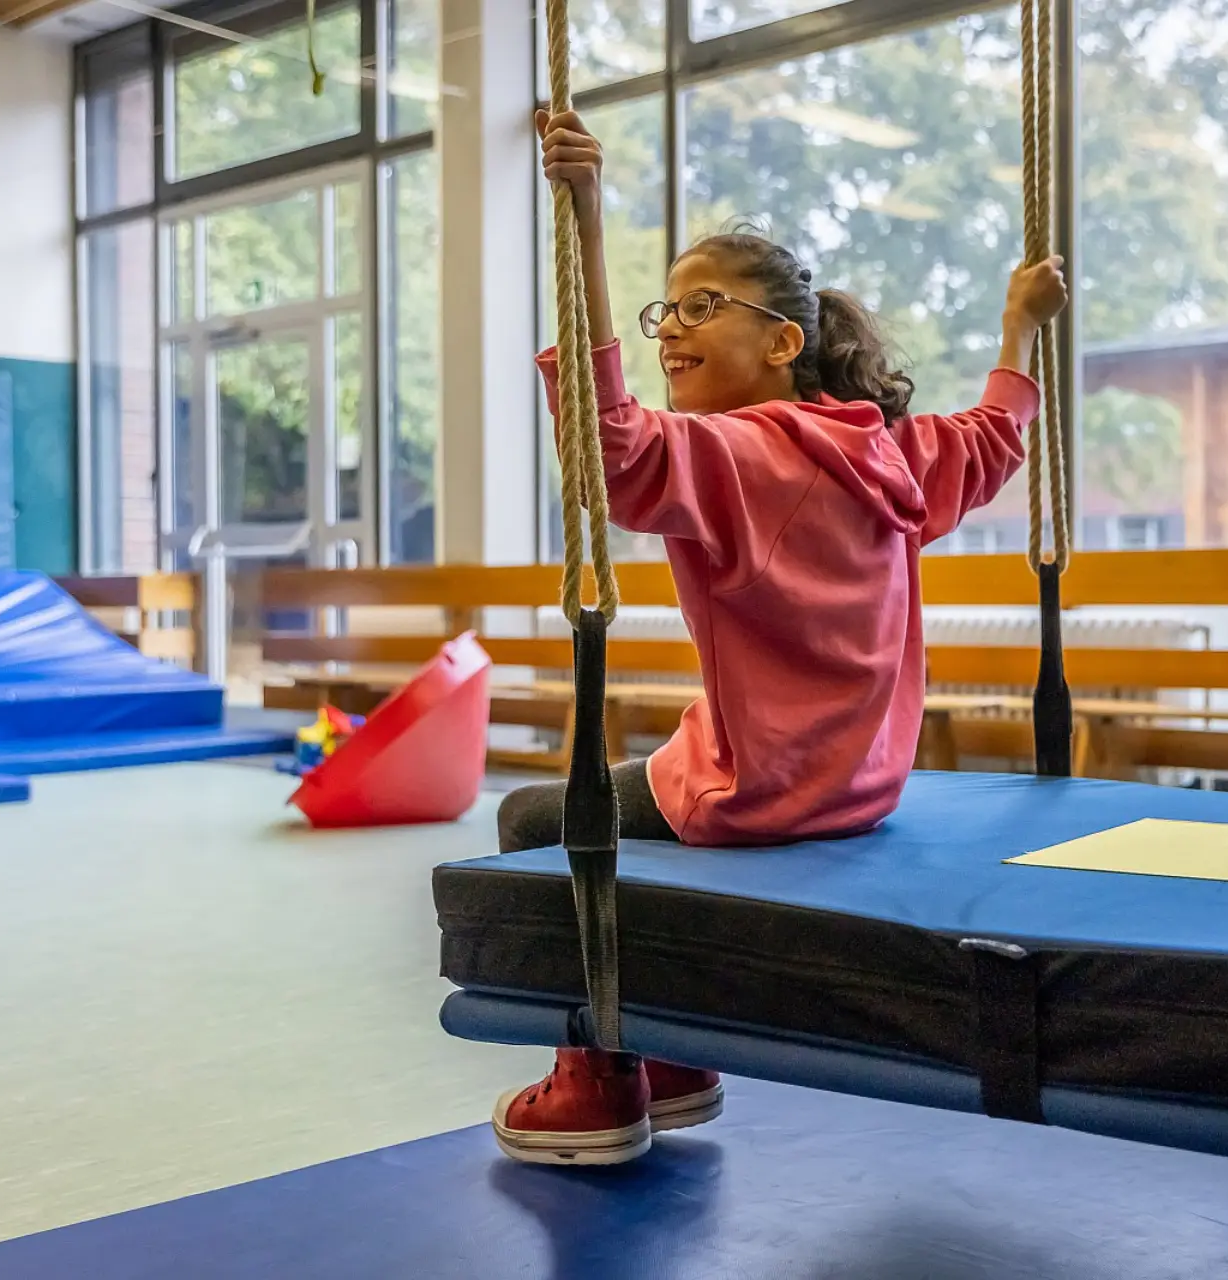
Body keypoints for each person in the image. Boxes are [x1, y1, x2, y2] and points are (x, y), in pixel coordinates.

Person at [490, 111, 1070, 1166]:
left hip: (759, 791)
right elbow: (991, 443)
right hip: (868, 785)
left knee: (537, 817)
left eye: (700, 306)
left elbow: (611, 455)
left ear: (783, 342)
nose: (669, 327)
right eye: (663, 305)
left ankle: (601, 1078)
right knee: (641, 780)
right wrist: (1017, 328)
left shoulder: (736, 450)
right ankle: (675, 1050)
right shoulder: (890, 454)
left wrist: (582, 216)